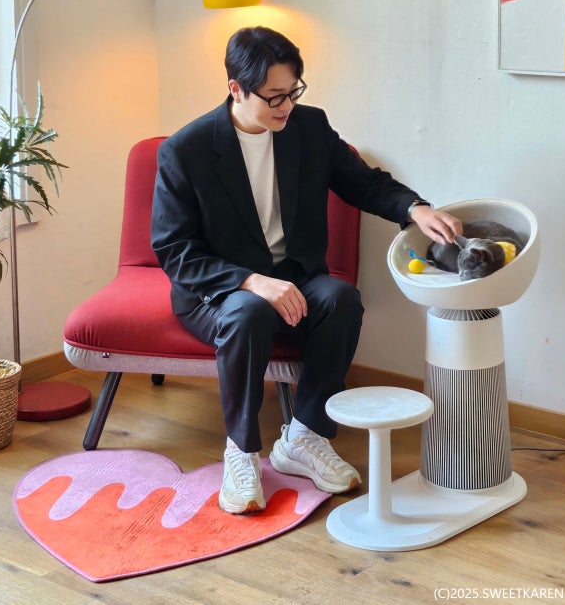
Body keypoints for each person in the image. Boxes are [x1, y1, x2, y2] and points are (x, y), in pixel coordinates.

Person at [151, 26, 462, 515]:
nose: (287, 106)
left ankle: (304, 437)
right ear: (236, 88)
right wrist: (252, 281)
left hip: (296, 275)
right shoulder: (185, 150)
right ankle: (241, 451)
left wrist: (415, 209)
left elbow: (362, 182)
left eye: (293, 91)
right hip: (220, 291)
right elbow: (174, 250)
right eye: (274, 96)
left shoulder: (309, 127)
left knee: (341, 300)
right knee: (248, 313)